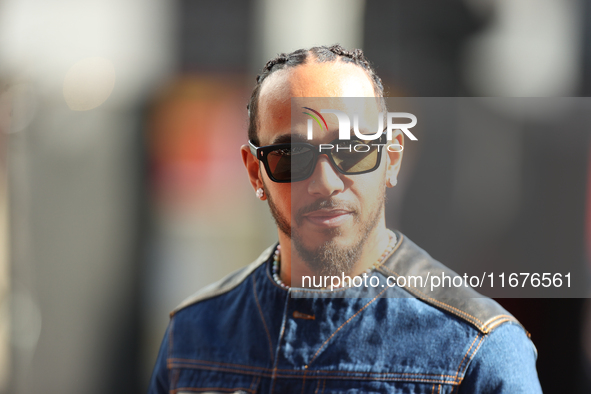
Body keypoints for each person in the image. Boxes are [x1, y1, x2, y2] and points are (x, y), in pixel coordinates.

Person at [148, 45, 542, 393]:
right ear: (255, 172)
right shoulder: (193, 334)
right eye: (292, 156)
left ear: (391, 158)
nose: (325, 182)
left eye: (353, 150)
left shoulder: (477, 349)